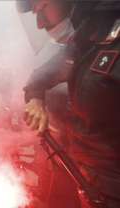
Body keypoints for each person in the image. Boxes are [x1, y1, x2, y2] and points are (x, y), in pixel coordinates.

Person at [18, 0, 120, 207]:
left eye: (42, 8)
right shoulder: (87, 36)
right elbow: (41, 76)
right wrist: (36, 99)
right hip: (90, 183)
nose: (39, 23)